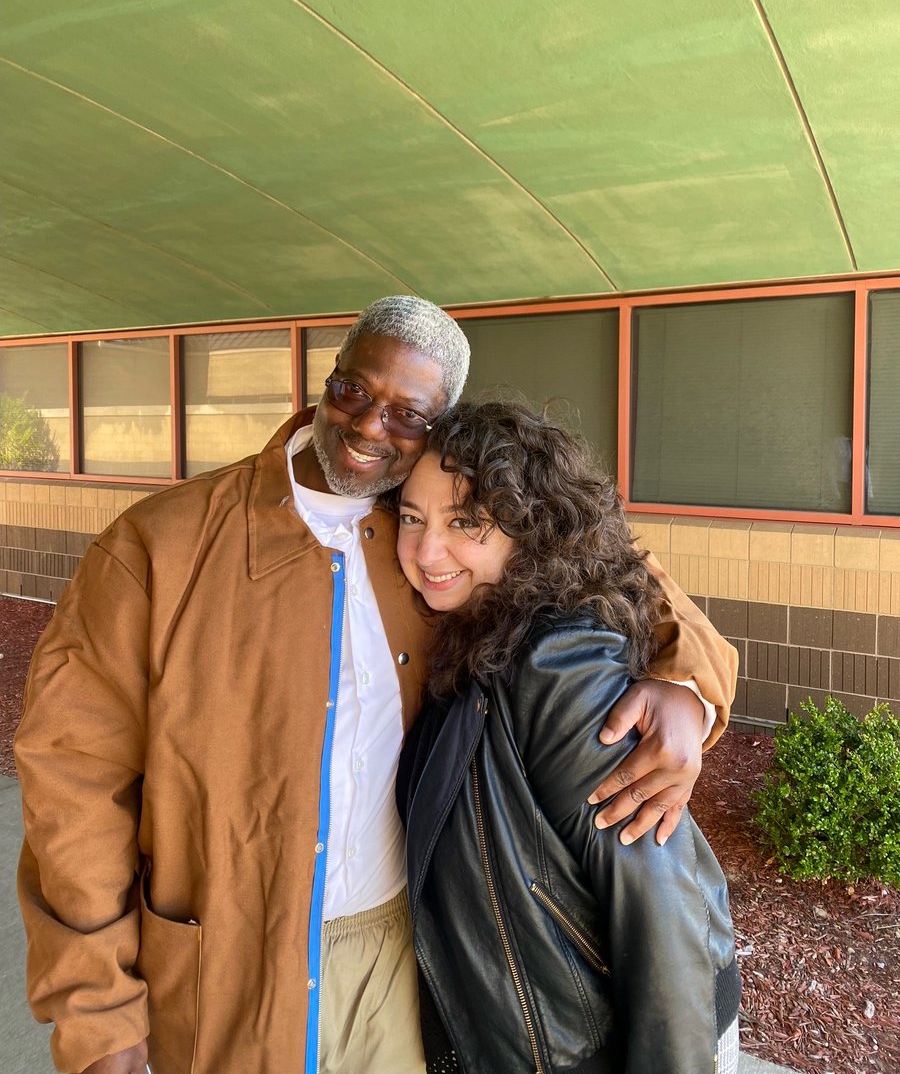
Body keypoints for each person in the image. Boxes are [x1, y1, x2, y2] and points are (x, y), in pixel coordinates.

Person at [15, 297, 736, 1074]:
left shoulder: (435, 520)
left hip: (411, 965)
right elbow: (73, 780)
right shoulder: (160, 546)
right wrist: (98, 1014)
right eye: (353, 390)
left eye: (406, 414)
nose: (366, 427)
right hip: (227, 973)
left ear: (439, 429)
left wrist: (688, 688)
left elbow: (614, 564)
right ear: (327, 380)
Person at [396, 401, 741, 1074]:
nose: (427, 550)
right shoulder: (476, 630)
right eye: (412, 518)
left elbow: (660, 906)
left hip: (601, 1045)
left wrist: (692, 694)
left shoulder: (558, 663)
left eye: (466, 522)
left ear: (532, 532)